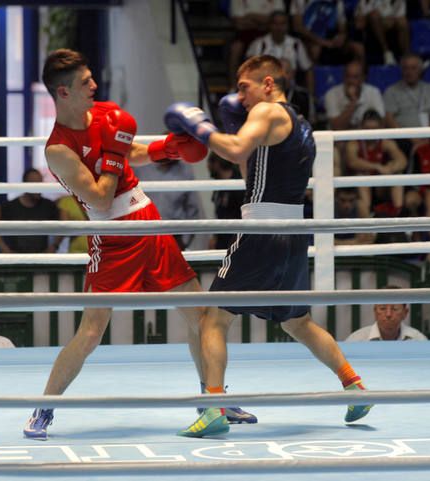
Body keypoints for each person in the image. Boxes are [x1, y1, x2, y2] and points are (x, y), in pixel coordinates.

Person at [22, 48, 255, 440]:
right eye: (84, 83)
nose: (94, 85)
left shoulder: (105, 114)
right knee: (92, 331)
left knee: (198, 315)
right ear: (63, 93)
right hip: (112, 236)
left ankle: (213, 399)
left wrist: (170, 148)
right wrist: (114, 158)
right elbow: (98, 196)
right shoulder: (58, 149)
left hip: (148, 222)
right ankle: (44, 407)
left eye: (92, 77)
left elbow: (133, 152)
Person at [164, 55, 372, 438]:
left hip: (261, 227)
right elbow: (253, 172)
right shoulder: (300, 123)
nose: (239, 95)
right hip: (292, 232)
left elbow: (238, 150)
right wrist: (230, 129)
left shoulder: (266, 111)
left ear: (269, 83)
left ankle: (212, 407)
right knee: (297, 321)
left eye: (245, 86)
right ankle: (354, 385)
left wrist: (201, 128)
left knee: (214, 318)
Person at [344, 109, 406, 219]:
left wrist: (390, 168)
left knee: (397, 177)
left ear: (381, 128)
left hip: (380, 186)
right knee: (361, 178)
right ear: (361, 128)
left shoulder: (386, 143)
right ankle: (367, 216)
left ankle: (398, 214)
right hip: (359, 188)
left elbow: (402, 161)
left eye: (374, 129)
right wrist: (377, 167)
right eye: (368, 129)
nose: (371, 133)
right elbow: (352, 162)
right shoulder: (354, 143)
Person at [0, 168, 63, 254]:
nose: (38, 187)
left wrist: (54, 246)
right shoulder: (10, 206)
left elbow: (63, 221)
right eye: (35, 183)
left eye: (40, 183)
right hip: (15, 259)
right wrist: (4, 248)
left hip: (41, 259)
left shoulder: (48, 205)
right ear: (25, 184)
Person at [290, 0, 364, 65]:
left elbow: (342, 27)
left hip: (329, 37)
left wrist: (341, 36)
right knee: (315, 50)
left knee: (358, 48)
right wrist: (324, 42)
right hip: (309, 38)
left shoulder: (337, 2)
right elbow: (298, 28)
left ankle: (361, 77)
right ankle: (317, 78)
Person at [345, 286, 428, 341]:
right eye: (382, 308)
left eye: (395, 309)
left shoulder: (418, 340)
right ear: (375, 311)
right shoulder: (356, 340)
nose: (388, 314)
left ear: (405, 313)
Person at [325, 60, 385, 131]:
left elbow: (381, 123)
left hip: (366, 137)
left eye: (355, 77)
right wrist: (353, 103)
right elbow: (337, 127)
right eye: (348, 76)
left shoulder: (374, 92)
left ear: (363, 78)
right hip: (341, 138)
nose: (350, 81)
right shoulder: (331, 94)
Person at [354, 0, 409, 65]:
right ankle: (386, 52)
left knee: (402, 23)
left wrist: (391, 20)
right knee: (374, 16)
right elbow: (359, 24)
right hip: (370, 33)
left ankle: (407, 57)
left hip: (393, 31)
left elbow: (400, 17)